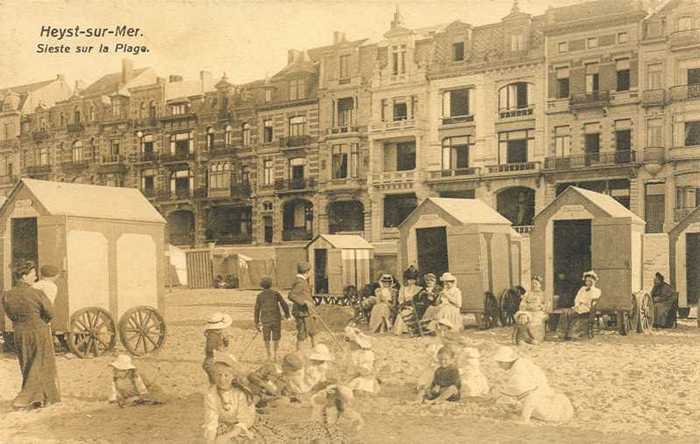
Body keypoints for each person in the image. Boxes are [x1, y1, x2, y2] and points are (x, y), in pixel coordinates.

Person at [2, 260, 60, 409]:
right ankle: (30, 397)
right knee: (42, 364)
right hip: (38, 331)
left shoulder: (7, 295)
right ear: (24, 275)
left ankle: (37, 398)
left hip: (20, 332)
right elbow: (50, 313)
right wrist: (41, 321)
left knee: (27, 363)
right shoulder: (37, 293)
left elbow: (10, 314)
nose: (35, 277)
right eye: (33, 274)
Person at [203, 351, 286, 443]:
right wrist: (210, 440)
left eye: (226, 375)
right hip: (223, 427)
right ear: (214, 375)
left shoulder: (240, 393)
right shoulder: (211, 394)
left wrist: (227, 436)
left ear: (232, 376)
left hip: (241, 428)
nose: (222, 379)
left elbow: (245, 421)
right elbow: (211, 421)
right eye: (219, 375)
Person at [493, 346, 573, 424]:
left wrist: (520, 419)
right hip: (564, 406)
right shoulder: (524, 363)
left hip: (553, 414)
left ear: (504, 362)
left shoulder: (518, 377)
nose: (499, 366)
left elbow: (529, 401)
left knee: (509, 412)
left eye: (500, 363)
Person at [254, 276, 290, 361]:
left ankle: (268, 355)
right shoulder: (276, 293)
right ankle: (276, 354)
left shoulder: (260, 296)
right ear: (271, 285)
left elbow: (257, 309)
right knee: (276, 337)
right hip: (276, 318)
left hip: (265, 319)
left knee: (266, 338)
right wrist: (287, 314)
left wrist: (256, 322)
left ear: (262, 285)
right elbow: (284, 304)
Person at [557, 271, 601, 340]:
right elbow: (577, 298)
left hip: (587, 308)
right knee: (565, 312)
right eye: (587, 281)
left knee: (570, 313)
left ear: (594, 281)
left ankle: (569, 333)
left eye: (590, 281)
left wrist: (582, 302)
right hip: (578, 306)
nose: (588, 283)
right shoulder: (582, 289)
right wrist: (577, 304)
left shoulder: (596, 290)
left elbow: (591, 300)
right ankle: (562, 333)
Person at [289, 262, 319, 351]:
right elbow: (291, 295)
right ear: (307, 272)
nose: (311, 273)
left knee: (313, 332)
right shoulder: (300, 282)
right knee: (302, 334)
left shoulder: (301, 281)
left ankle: (316, 353)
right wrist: (304, 302)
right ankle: (299, 354)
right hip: (302, 312)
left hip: (307, 312)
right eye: (310, 271)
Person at [344, 326, 381, 395]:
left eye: (352, 343)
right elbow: (351, 370)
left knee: (358, 387)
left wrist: (357, 369)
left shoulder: (366, 354)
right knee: (347, 386)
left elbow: (366, 370)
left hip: (366, 378)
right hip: (357, 376)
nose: (350, 345)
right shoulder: (355, 353)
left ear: (358, 343)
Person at [513, 276, 548, 345]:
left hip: (538, 311)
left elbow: (546, 305)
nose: (534, 285)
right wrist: (525, 307)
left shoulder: (543, 294)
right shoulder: (528, 293)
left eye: (536, 283)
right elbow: (523, 302)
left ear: (540, 285)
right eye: (532, 283)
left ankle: (535, 337)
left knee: (537, 319)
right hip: (528, 311)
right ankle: (522, 337)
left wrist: (541, 307)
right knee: (523, 318)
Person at [203, 312, 234, 384]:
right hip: (212, 363)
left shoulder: (218, 334)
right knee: (217, 383)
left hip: (213, 362)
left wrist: (225, 340)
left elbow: (225, 345)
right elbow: (210, 349)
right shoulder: (213, 336)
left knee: (217, 383)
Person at [392, 266, 424, 335]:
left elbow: (419, 300)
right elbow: (400, 299)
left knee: (408, 313)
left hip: (415, 307)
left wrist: (413, 306)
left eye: (413, 279)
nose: (411, 281)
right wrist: (403, 305)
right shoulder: (403, 288)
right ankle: (403, 330)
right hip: (405, 306)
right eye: (409, 279)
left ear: (416, 280)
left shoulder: (419, 288)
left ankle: (410, 329)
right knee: (402, 314)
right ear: (407, 279)